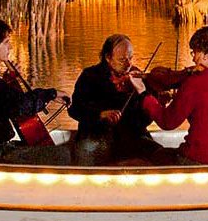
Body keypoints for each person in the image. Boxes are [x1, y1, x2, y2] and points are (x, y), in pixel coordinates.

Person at [128, 25, 208, 165]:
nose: (193, 58)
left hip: (200, 159)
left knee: (158, 156)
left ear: (206, 55)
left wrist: (143, 94)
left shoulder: (194, 83)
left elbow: (167, 122)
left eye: (195, 53)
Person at [0, 17, 69, 153]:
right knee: (62, 155)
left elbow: (0, 100)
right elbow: (21, 106)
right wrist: (51, 93)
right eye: (6, 42)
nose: (11, 47)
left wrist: (8, 80)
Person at [67, 33, 159, 163]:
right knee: (87, 151)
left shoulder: (137, 78)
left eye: (130, 58)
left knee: (159, 154)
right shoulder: (89, 76)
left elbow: (144, 121)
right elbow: (75, 109)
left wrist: (154, 103)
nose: (128, 64)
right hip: (96, 135)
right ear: (108, 58)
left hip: (132, 136)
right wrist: (100, 115)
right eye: (122, 60)